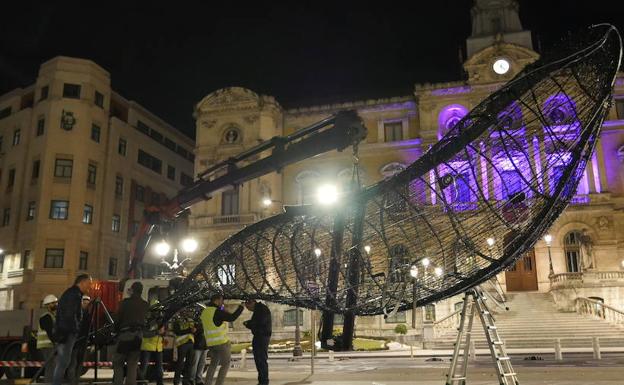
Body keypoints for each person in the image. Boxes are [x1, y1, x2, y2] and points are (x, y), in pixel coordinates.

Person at [53, 274, 92, 385]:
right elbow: (70, 315)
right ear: (82, 282)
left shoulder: (72, 294)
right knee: (63, 363)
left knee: (64, 363)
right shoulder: (74, 295)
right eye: (89, 283)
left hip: (65, 333)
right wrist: (75, 331)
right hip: (67, 334)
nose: (90, 287)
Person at [201, 294, 244, 385]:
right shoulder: (216, 312)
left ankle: (207, 383)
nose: (222, 303)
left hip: (211, 343)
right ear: (217, 300)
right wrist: (241, 307)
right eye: (221, 301)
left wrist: (223, 311)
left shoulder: (205, 311)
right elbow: (232, 317)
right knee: (226, 364)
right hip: (221, 343)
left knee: (213, 364)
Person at [113, 282, 149, 385]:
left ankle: (118, 383)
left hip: (125, 336)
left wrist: (115, 332)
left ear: (132, 290)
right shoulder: (145, 305)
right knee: (132, 365)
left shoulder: (125, 303)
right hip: (138, 337)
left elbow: (117, 319)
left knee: (118, 362)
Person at [243, 299, 272, 385]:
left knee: (261, 360)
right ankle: (262, 380)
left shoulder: (261, 310)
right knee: (259, 360)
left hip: (261, 337)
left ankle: (263, 381)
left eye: (248, 307)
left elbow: (258, 323)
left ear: (252, 303)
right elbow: (257, 323)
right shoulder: (260, 309)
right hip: (261, 336)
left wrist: (248, 324)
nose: (248, 309)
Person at [139, 306, 165, 385]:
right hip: (147, 347)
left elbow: (164, 333)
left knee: (159, 368)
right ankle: (141, 382)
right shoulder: (146, 321)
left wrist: (163, 332)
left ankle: (160, 383)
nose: (158, 313)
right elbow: (144, 334)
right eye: (157, 311)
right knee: (144, 367)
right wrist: (157, 332)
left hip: (158, 348)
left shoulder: (161, 322)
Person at [37, 294, 58, 384]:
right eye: (53, 303)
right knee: (51, 366)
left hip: (50, 345)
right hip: (46, 345)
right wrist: (56, 342)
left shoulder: (53, 316)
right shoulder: (46, 317)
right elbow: (50, 332)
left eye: (56, 302)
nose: (56, 304)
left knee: (53, 365)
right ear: (47, 305)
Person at [173, 311, 196, 385]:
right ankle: (176, 381)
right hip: (182, 344)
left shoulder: (191, 320)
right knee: (180, 363)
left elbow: (195, 330)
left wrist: (194, 330)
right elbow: (177, 331)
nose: (186, 312)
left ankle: (186, 381)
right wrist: (189, 330)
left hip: (191, 343)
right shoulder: (177, 320)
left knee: (189, 364)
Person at [189, 319, 208, 385]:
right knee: (195, 363)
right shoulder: (196, 323)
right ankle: (192, 379)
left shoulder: (207, 324)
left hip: (205, 346)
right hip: (197, 346)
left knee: (202, 364)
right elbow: (194, 331)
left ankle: (199, 379)